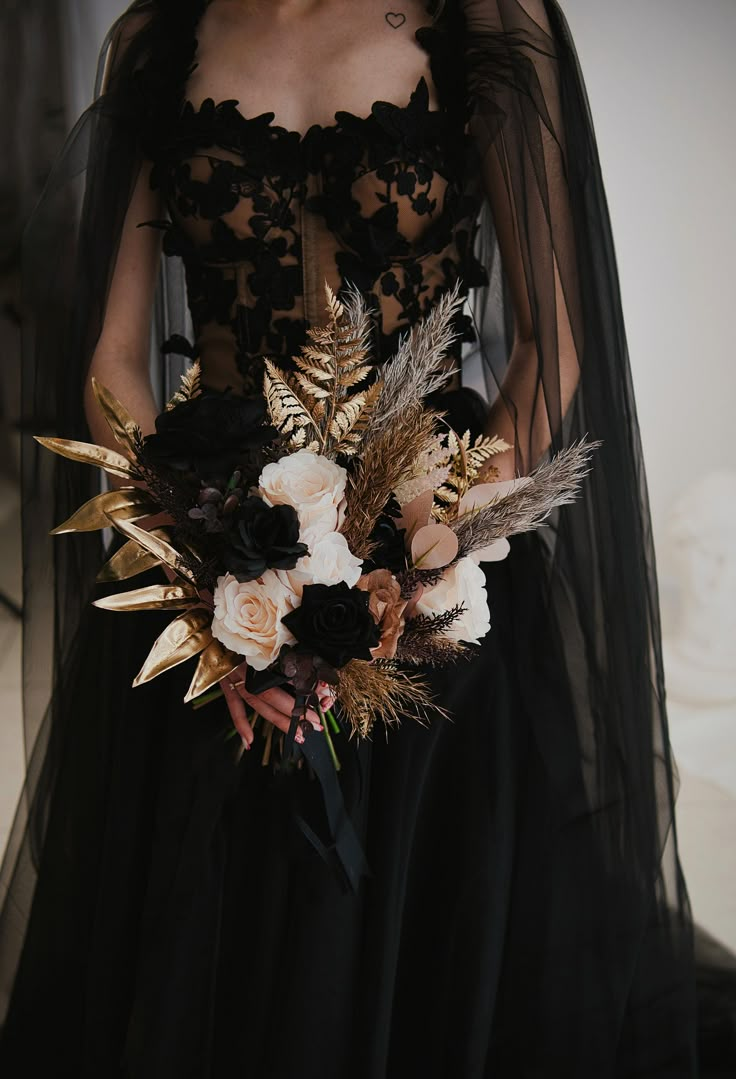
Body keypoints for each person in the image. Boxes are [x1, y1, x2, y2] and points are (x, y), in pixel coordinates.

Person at [0, 0, 700, 1075]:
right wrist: (207, 593)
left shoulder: (486, 22)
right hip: (216, 566)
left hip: (434, 574)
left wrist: (424, 562)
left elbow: (555, 343)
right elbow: (114, 360)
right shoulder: (161, 34)